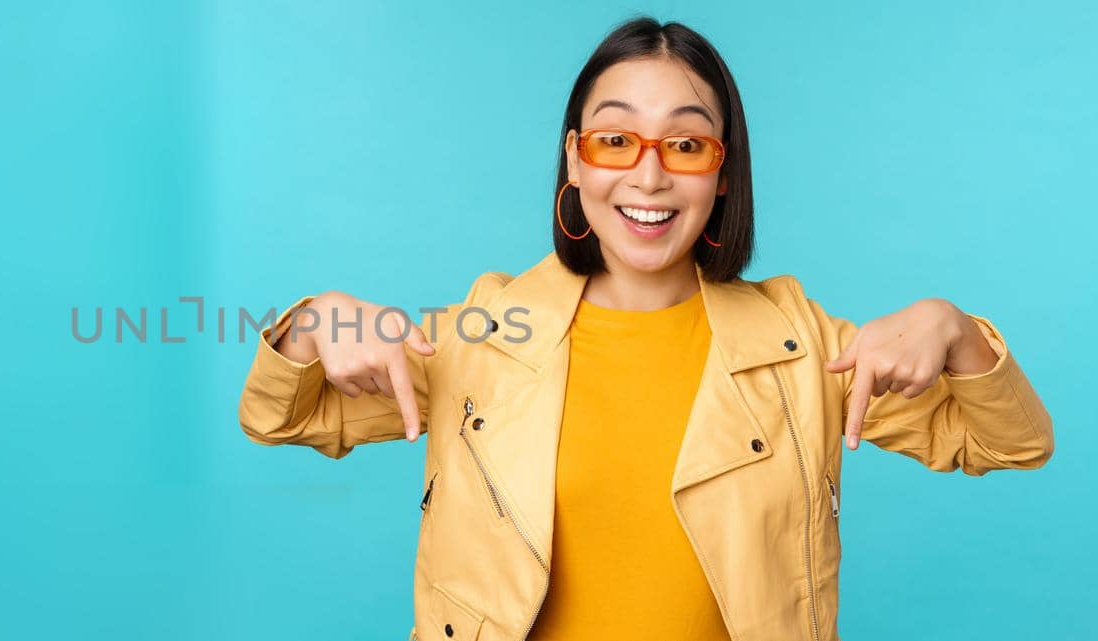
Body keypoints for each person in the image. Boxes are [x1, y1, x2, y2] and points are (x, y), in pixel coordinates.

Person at [236, 16, 1054, 641]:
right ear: (576, 160)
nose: (649, 172)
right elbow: (282, 415)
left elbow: (1010, 442)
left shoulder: (802, 346)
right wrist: (315, 320)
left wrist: (954, 329)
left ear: (723, 170)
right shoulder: (482, 336)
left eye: (686, 143)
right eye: (616, 138)